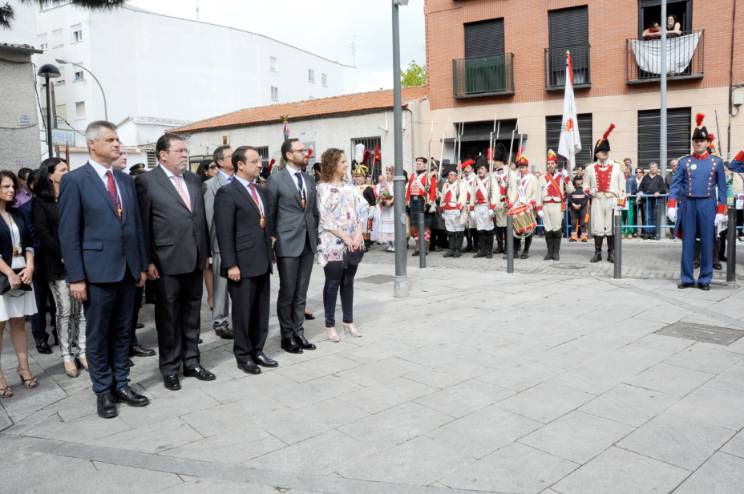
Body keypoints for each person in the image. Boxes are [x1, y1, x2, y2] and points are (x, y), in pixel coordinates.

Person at [58, 120, 149, 419]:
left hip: (127, 270)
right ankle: (103, 390)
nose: (117, 144)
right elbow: (69, 233)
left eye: (117, 139)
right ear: (92, 144)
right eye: (110, 140)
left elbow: (135, 226)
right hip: (97, 272)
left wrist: (141, 265)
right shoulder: (75, 180)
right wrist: (76, 277)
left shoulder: (124, 180)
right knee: (98, 335)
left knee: (123, 331)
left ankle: (121, 383)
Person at [136, 133, 214, 391]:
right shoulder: (147, 181)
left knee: (192, 314)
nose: (184, 155)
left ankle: (191, 362)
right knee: (168, 318)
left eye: (185, 150)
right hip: (165, 262)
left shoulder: (193, 179)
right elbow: (143, 225)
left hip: (194, 258)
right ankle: (170, 368)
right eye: (179, 151)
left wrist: (205, 252)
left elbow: (199, 219)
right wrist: (147, 261)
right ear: (163, 155)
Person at [214, 146, 276, 374]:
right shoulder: (227, 192)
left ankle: (258, 349)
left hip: (261, 260)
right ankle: (243, 355)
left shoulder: (259, 190)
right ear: (240, 165)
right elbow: (224, 231)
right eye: (254, 161)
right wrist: (231, 264)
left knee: (261, 310)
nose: (260, 165)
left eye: (260, 161)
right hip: (241, 264)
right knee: (243, 312)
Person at [33, 158, 88, 378]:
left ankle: (82, 351)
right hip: (56, 264)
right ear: (50, 175)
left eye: (68, 169)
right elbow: (43, 234)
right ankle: (67, 355)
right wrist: (65, 255)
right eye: (63, 170)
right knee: (64, 311)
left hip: (79, 262)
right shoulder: (41, 202)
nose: (67, 172)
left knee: (81, 311)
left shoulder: (72, 196)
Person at [268, 138, 319, 354]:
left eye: (304, 150)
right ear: (289, 155)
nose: (305, 153)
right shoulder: (276, 179)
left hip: (307, 241)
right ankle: (286, 335)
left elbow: (313, 211)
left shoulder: (309, 179)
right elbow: (270, 213)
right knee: (288, 291)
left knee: (301, 291)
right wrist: (272, 240)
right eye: (300, 150)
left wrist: (315, 235)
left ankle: (299, 332)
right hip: (287, 241)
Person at [667, 114, 727, 290]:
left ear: (707, 142)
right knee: (688, 243)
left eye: (702, 140)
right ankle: (686, 278)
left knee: (708, 243)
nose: (699, 143)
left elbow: (723, 189)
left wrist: (720, 211)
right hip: (688, 205)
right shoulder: (685, 162)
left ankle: (705, 279)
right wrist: (671, 206)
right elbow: (675, 185)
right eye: (696, 140)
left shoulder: (717, 162)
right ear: (693, 143)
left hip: (708, 205)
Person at [316, 148, 364, 342]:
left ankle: (348, 320)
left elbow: (361, 210)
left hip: (353, 241)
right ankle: (329, 325)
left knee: (348, 281)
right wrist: (345, 237)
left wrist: (358, 234)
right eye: (342, 161)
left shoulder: (351, 187)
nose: (346, 164)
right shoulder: (322, 188)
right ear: (332, 164)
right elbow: (325, 217)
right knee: (333, 282)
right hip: (332, 242)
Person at [0, 170, 39, 397]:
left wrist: (30, 265)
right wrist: (8, 273)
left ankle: (23, 368)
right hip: (3, 276)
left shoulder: (18, 213)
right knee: (0, 325)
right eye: (6, 186)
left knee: (19, 323)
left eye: (13, 186)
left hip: (22, 272)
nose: (11, 190)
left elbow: (30, 241)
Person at [203, 145, 234, 340]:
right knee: (221, 286)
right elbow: (209, 219)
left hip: (240, 242)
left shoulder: (240, 181)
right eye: (231, 156)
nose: (235, 158)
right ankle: (220, 321)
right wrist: (209, 249)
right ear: (220, 162)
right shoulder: (210, 185)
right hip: (219, 244)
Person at [584, 124, 626, 263]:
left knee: (611, 226)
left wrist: (621, 200)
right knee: (597, 226)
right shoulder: (590, 168)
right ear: (596, 153)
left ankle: (611, 253)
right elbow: (585, 185)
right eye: (602, 151)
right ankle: (597, 253)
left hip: (612, 200)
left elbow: (622, 186)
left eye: (606, 151)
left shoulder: (617, 167)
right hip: (597, 200)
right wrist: (589, 190)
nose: (605, 153)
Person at [127, 163, 154, 363]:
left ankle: (131, 342)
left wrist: (144, 264)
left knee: (134, 305)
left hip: (136, 261)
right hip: (119, 263)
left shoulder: (138, 203)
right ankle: (122, 347)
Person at [538, 150, 573, 261]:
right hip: (546, 205)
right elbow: (538, 194)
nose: (550, 165)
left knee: (557, 229)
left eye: (552, 163)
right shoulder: (542, 177)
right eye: (548, 163)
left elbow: (570, 190)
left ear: (556, 164)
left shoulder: (561, 177)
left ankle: (556, 252)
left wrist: (567, 177)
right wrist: (539, 208)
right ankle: (549, 252)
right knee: (547, 230)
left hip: (557, 206)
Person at [507, 151, 539, 259]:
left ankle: (526, 251)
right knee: (517, 230)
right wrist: (511, 203)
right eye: (520, 167)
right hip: (518, 206)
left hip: (528, 206)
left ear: (527, 167)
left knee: (528, 230)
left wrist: (531, 203)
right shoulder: (517, 179)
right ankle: (515, 251)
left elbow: (535, 193)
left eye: (523, 167)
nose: (521, 169)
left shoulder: (532, 178)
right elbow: (514, 192)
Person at [405, 157, 437, 256]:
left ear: (424, 165)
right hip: (413, 202)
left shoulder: (429, 176)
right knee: (416, 227)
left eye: (420, 164)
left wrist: (430, 203)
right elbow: (409, 190)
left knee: (425, 227)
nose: (418, 165)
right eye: (417, 163)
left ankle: (426, 248)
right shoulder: (413, 176)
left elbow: (433, 191)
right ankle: (418, 248)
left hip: (423, 202)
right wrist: (407, 202)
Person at [468, 158, 496, 258]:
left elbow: (495, 194)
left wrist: (492, 208)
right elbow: (472, 195)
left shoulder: (491, 179)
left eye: (482, 168)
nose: (480, 170)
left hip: (487, 207)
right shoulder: (475, 180)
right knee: (480, 229)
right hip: (477, 207)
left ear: (486, 169)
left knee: (488, 229)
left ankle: (489, 251)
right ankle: (482, 250)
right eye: (478, 169)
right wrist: (471, 209)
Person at [439, 164, 467, 257]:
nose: (449, 176)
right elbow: (443, 197)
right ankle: (451, 249)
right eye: (449, 175)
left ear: (456, 176)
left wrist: (459, 208)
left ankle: (458, 250)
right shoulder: (445, 185)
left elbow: (463, 197)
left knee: (459, 231)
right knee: (450, 231)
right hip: (447, 210)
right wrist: (442, 209)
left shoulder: (461, 184)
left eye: (451, 175)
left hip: (457, 210)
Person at [638, 162, 667, 239]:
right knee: (647, 216)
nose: (653, 169)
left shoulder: (660, 178)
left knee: (654, 217)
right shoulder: (645, 177)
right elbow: (640, 188)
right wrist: (641, 193)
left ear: (657, 169)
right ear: (649, 168)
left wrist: (658, 192)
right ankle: (647, 233)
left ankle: (654, 233)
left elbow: (663, 188)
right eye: (652, 167)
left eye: (655, 167)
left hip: (656, 200)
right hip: (646, 199)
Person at [491, 144, 510, 254]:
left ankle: (507, 246)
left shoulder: (509, 173)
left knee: (507, 226)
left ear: (501, 161)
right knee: (498, 226)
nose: (494, 163)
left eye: (496, 161)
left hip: (506, 202)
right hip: (497, 203)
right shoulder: (493, 174)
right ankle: (499, 246)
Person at [372, 166, 395, 251]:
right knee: (386, 227)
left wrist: (391, 201)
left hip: (392, 208)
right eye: (387, 174)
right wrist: (380, 198)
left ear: (393, 175)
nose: (387, 175)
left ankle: (395, 245)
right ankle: (390, 245)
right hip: (385, 208)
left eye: (389, 174)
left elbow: (396, 195)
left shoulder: (395, 184)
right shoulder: (385, 184)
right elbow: (379, 194)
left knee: (392, 227)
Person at [352, 164, 374, 249]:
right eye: (356, 176)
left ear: (364, 177)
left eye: (360, 176)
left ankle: (366, 243)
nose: (358, 178)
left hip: (365, 212)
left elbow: (372, 202)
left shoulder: (368, 188)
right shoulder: (353, 188)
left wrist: (372, 211)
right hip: (355, 212)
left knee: (365, 227)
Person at [460, 159, 478, 252]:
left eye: (468, 167)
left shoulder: (476, 178)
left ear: (472, 169)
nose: (466, 169)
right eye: (465, 168)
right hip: (464, 204)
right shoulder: (462, 179)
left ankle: (476, 245)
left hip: (472, 204)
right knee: (466, 226)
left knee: (474, 226)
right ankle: (469, 244)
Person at [568, 175, 589, 241]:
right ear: (574, 181)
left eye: (580, 180)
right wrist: (573, 204)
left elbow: (586, 198)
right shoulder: (571, 188)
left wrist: (580, 205)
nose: (578, 181)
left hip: (582, 207)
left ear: (582, 181)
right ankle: (574, 237)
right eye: (577, 180)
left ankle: (584, 237)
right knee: (573, 222)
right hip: (573, 207)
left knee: (583, 222)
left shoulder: (585, 188)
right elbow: (569, 197)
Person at [622, 161, 637, 239]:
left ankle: (630, 232)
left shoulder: (633, 178)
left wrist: (631, 193)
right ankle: (622, 232)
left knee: (630, 216)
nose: (626, 171)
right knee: (622, 216)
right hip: (621, 199)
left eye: (628, 170)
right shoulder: (621, 178)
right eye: (625, 170)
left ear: (630, 171)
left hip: (630, 199)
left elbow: (635, 188)